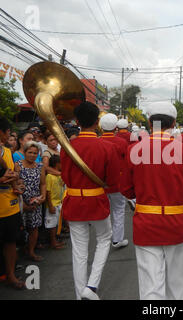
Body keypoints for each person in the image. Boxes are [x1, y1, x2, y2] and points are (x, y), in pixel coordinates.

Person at [120, 102, 183, 300]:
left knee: (151, 286)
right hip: (177, 224)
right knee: (177, 282)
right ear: (174, 123)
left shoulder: (135, 150)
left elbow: (126, 189)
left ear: (150, 123)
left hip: (146, 225)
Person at [61, 101, 120, 300]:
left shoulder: (67, 147)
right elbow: (112, 181)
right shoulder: (106, 147)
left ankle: (80, 295)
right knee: (104, 239)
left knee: (79, 251)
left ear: (77, 121)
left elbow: (65, 177)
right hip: (96, 202)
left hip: (74, 202)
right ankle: (92, 285)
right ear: (97, 122)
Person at [0, 117, 24, 289]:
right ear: (1, 133)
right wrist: (0, 180)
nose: (10, 135)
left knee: (10, 242)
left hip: (11, 205)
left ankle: (10, 275)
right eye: (8, 132)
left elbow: (14, 172)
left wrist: (16, 179)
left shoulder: (8, 152)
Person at [99, 113, 129, 249]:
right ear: (115, 127)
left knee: (105, 211)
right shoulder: (121, 142)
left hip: (100, 184)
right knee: (119, 211)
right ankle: (117, 239)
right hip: (118, 183)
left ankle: (104, 237)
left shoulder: (98, 142)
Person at [15, 141, 46, 262]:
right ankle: (22, 250)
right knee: (22, 227)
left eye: (35, 153)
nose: (32, 155)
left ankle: (31, 251)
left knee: (34, 228)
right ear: (25, 152)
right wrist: (24, 204)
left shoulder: (40, 166)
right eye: (30, 152)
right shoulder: (17, 165)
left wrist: (42, 196)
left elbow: (43, 184)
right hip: (21, 201)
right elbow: (16, 183)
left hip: (35, 201)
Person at [44, 154, 65, 250]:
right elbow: (48, 192)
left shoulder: (58, 175)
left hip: (58, 202)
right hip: (52, 203)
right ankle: (52, 242)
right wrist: (50, 205)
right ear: (57, 164)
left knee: (56, 223)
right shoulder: (49, 176)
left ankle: (55, 240)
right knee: (51, 225)